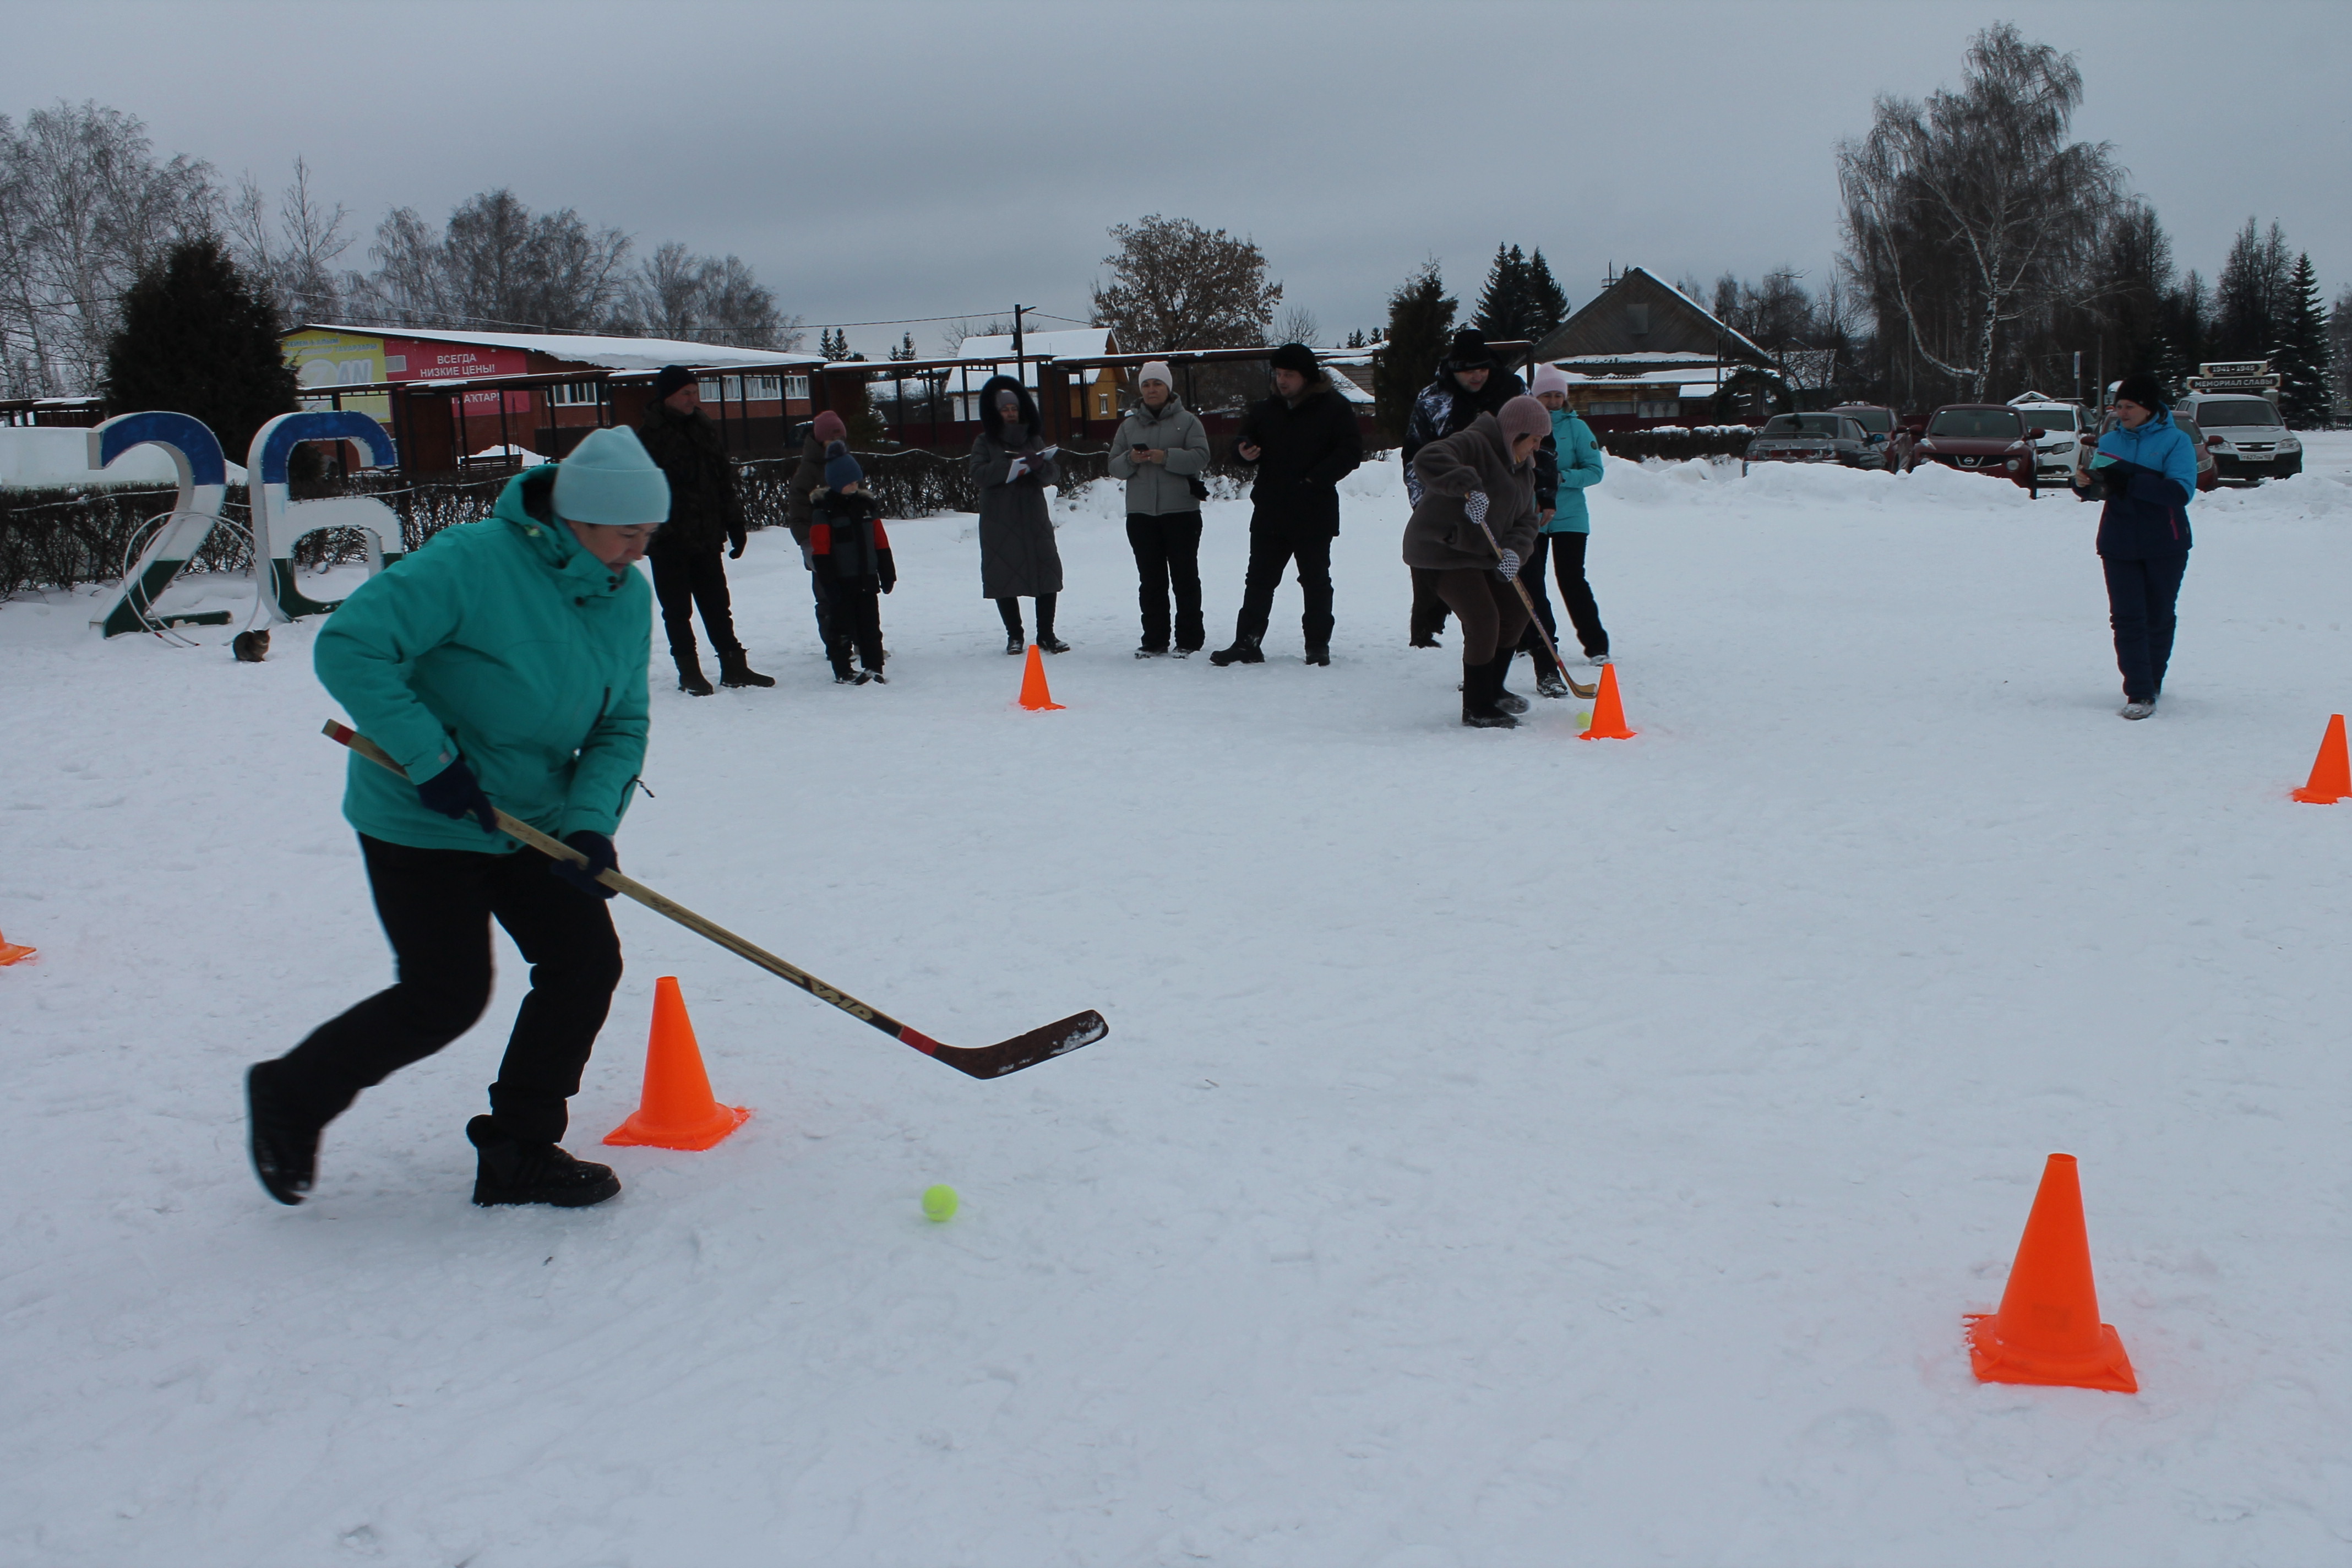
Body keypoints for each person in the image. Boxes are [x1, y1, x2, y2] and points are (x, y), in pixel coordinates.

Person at [246, 427, 665, 1209]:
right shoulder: (474, 563)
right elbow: (352, 647)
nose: (637, 554)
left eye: (649, 537)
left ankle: (519, 1148)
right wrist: (430, 762)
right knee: (446, 993)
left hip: (532, 817)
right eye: (627, 534)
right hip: (423, 816)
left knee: (583, 963)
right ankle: (290, 1094)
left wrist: (588, 824)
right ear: (576, 517)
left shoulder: (624, 596)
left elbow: (623, 724)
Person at [1210, 344, 1363, 666]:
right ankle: (1247, 643)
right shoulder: (1265, 409)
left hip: (1314, 509)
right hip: (1271, 510)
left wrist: (1314, 480)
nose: (1281, 381)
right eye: (1278, 374)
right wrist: (1243, 451)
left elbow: (1350, 453)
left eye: (1289, 375)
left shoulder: (1335, 408)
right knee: (1259, 580)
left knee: (1315, 580)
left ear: (1307, 376)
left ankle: (1317, 645)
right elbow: (1241, 442)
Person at [1403, 396, 1550, 727]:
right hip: (1441, 550)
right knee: (1484, 619)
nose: (1537, 448)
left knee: (1516, 611)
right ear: (1516, 432)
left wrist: (1515, 551)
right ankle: (1477, 706)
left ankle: (1493, 689)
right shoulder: (1476, 442)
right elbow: (1428, 458)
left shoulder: (1524, 469)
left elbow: (1527, 520)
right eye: (1534, 440)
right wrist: (1468, 487)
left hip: (1483, 554)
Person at [636, 365, 771, 694]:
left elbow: (722, 478)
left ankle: (734, 666)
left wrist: (735, 522)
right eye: (686, 393)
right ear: (668, 395)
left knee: (717, 604)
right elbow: (639, 490)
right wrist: (651, 532)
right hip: (668, 540)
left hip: (707, 534)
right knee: (677, 610)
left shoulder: (703, 427)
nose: (693, 399)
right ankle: (689, 672)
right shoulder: (648, 436)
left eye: (695, 392)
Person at [2075, 371, 2197, 720]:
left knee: (2157, 616)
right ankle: (2140, 691)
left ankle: (2152, 678)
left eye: (2129, 406)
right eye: (2118, 406)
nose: (2122, 412)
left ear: (2147, 408)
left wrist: (2129, 479)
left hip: (2166, 543)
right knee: (2126, 617)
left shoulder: (2176, 442)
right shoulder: (2111, 440)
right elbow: (2103, 489)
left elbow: (2179, 493)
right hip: (2118, 541)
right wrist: (2086, 485)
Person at [1402, 329, 1529, 647]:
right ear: (1454, 368)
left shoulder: (1513, 391)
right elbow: (1416, 455)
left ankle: (1543, 662)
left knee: (1523, 591)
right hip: (1452, 508)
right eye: (1469, 369)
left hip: (1510, 507)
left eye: (1483, 368)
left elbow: (1539, 444)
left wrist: (1543, 495)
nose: (1477, 375)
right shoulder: (1433, 399)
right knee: (1470, 600)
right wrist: (1426, 505)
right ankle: (1474, 670)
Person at [1107, 361, 1213, 657]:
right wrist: (1131, 459)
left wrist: (1164, 457)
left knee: (1185, 578)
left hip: (1181, 513)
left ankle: (1190, 640)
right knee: (1150, 581)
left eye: (1157, 384)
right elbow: (1113, 465)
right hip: (1142, 515)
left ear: (1168, 389)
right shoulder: (1128, 425)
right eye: (1146, 384)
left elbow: (1201, 457)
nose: (1152, 390)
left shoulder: (1188, 422)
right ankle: (1154, 640)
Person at [1518, 362, 1610, 697]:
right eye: (1547, 396)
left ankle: (1596, 644)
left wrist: (1562, 478)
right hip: (1532, 516)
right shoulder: (1524, 426)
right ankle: (1534, 640)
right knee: (1531, 582)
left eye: (1559, 396)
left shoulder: (1578, 428)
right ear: (1535, 397)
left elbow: (1595, 471)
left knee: (1572, 579)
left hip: (1570, 518)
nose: (1554, 401)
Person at [970, 375, 1067, 654]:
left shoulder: (1033, 438)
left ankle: (1047, 634)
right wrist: (1007, 464)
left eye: (1014, 409)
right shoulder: (984, 442)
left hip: (1033, 516)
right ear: (995, 412)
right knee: (1004, 576)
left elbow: (1052, 474)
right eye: (1005, 409)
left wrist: (1038, 465)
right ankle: (1015, 636)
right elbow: (978, 475)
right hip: (999, 519)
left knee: (1047, 572)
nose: (1011, 414)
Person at [809, 440, 897, 684]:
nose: (855, 486)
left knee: (871, 626)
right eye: (850, 482)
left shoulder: (867, 508)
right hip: (841, 581)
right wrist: (829, 583)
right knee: (841, 628)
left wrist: (887, 571)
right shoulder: (824, 512)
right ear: (836, 482)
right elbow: (821, 551)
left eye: (857, 482)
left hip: (867, 579)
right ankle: (842, 669)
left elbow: (880, 542)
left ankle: (874, 666)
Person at [787, 409, 850, 649]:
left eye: (840, 439)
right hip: (820, 547)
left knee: (854, 594)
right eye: (832, 439)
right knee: (827, 597)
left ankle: (857, 639)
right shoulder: (808, 472)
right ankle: (835, 643)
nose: (837, 443)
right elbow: (798, 514)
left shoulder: (847, 465)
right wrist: (807, 544)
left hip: (848, 544)